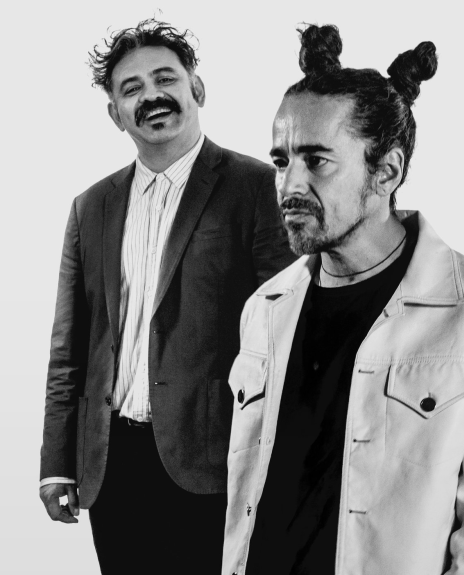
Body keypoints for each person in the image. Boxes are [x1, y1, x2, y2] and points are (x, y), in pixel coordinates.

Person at [221, 25, 464, 575]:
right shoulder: (264, 309)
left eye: (317, 161)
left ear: (386, 171)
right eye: (281, 161)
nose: (290, 185)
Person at [38, 19, 296, 575]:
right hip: (110, 464)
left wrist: (281, 463)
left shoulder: (257, 188)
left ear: (196, 88)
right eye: (131, 88)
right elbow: (70, 347)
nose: (151, 95)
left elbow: (287, 334)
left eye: (165, 78)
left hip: (213, 461)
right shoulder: (90, 207)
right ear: (116, 114)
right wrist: (57, 462)